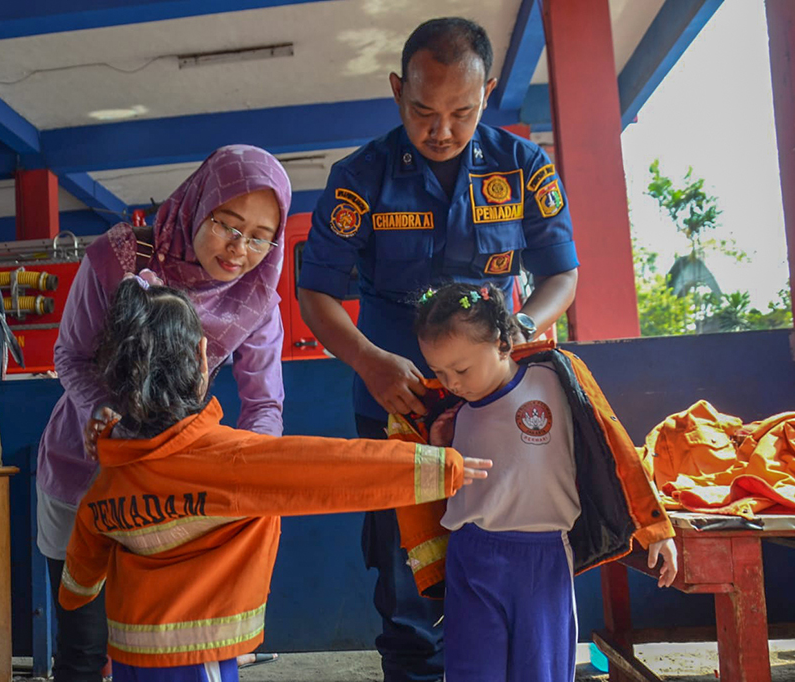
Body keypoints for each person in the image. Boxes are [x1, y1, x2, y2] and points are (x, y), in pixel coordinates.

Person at [296, 17, 579, 681]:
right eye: (423, 110)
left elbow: (562, 273)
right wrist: (367, 359)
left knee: (512, 559)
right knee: (404, 580)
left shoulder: (523, 166)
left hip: (502, 402)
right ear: (398, 91)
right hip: (398, 404)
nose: (442, 130)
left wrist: (523, 323)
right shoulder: (359, 178)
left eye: (461, 111)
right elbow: (317, 293)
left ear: (489, 95)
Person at [58, 277, 494, 682]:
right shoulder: (226, 460)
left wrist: (76, 595)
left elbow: (82, 569)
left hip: (129, 654)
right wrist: (443, 467)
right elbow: (334, 469)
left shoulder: (110, 478)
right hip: (193, 657)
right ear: (199, 357)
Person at [37, 145, 293, 681]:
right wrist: (105, 417)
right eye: (228, 224)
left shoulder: (259, 293)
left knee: (161, 643)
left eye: (260, 236)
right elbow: (72, 356)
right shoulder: (120, 257)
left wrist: (251, 473)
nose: (240, 249)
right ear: (202, 204)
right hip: (85, 469)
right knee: (84, 647)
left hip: (174, 483)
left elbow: (264, 403)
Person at [404, 282, 677, 681]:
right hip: (472, 554)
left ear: (500, 343)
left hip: (543, 555)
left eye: (461, 369)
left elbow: (615, 448)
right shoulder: (449, 413)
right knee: (470, 670)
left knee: (541, 670)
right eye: (439, 372)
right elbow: (438, 488)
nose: (452, 383)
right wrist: (439, 449)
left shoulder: (554, 378)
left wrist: (654, 526)